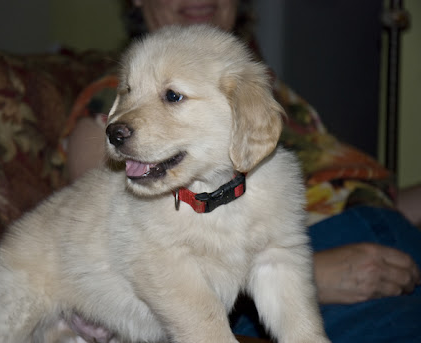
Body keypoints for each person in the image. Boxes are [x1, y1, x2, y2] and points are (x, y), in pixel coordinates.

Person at [63, 1, 421, 341]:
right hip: (293, 279)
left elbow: (347, 191)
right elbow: (121, 236)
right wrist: (308, 275)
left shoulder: (259, 84)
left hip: (385, 233)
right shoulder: (118, 102)